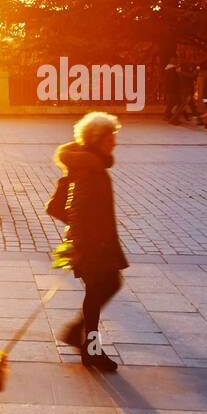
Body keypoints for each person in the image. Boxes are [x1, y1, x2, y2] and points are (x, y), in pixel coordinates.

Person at [54, 112, 127, 372]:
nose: (114, 143)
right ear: (97, 139)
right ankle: (88, 346)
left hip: (98, 242)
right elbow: (76, 208)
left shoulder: (91, 162)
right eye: (110, 138)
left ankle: (81, 338)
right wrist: (82, 242)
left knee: (100, 290)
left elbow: (63, 207)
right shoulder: (89, 168)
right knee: (101, 290)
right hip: (93, 245)